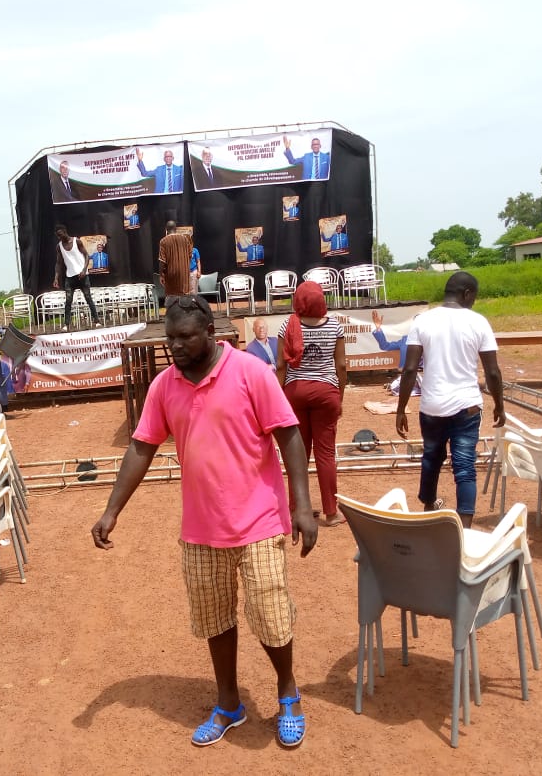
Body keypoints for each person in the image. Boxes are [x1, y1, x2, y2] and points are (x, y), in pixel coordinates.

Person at [91, 295, 318, 749]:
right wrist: (111, 509)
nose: (174, 345)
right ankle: (229, 703)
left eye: (184, 337)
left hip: (260, 520)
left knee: (272, 618)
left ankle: (287, 694)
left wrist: (302, 505)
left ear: (210, 334)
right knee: (215, 619)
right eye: (169, 337)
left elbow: (290, 436)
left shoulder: (250, 372)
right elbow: (142, 447)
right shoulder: (163, 386)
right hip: (201, 527)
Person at [396, 271, 504, 527]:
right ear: (467, 294)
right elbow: (492, 371)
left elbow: (410, 369)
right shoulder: (478, 322)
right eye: (474, 297)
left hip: (432, 407)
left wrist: (401, 408)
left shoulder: (422, 321)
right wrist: (500, 405)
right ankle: (464, 527)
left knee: (432, 457)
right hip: (466, 407)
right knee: (464, 466)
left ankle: (428, 506)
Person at [277, 281, 347, 526]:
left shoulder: (288, 325)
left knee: (298, 454)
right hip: (326, 392)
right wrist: (340, 396)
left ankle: (296, 510)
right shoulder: (335, 326)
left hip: (295, 392)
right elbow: (341, 366)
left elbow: (280, 366)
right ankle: (331, 512)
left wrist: (278, 399)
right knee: (325, 453)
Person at [53, 225, 101, 332]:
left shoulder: (76, 241)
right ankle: (66, 325)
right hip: (70, 277)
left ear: (65, 232)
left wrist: (84, 270)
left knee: (88, 297)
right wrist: (56, 278)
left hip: (82, 275)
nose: (60, 237)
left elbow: (87, 255)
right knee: (68, 300)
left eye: (61, 235)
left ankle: (97, 321)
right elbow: (58, 263)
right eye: (58, 236)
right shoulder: (59, 246)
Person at [371, 309, 421, 397]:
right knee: (394, 389)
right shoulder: (405, 340)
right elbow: (385, 346)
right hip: (406, 376)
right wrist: (378, 328)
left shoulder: (430, 340)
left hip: (421, 375)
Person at [159, 220, 194, 299]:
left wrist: (161, 275)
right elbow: (190, 256)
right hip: (184, 275)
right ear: (176, 229)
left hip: (171, 275)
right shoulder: (186, 239)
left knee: (172, 298)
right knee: (185, 298)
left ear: (166, 230)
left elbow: (162, 260)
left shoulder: (163, 241)